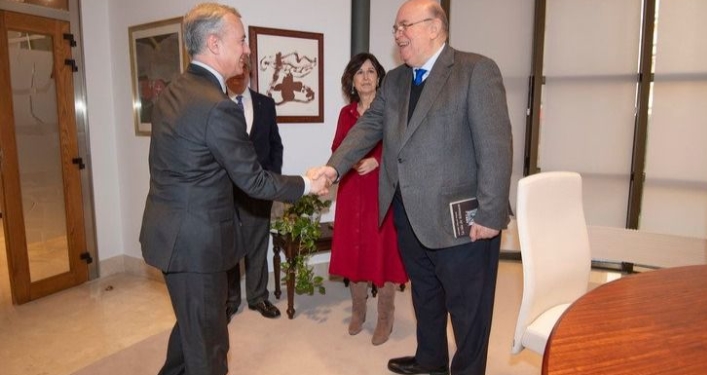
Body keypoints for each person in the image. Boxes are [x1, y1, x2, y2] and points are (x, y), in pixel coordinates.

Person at [310, 1, 512, 374]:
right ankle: (430, 362)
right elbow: (368, 128)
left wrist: (491, 212)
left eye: (405, 26)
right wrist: (333, 169)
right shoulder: (399, 80)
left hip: (463, 224)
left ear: (435, 27)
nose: (398, 34)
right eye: (395, 28)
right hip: (407, 214)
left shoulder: (475, 70)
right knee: (426, 296)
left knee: (468, 311)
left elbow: (496, 148)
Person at [139, 3, 327, 375]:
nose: (246, 49)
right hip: (194, 245)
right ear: (214, 43)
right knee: (210, 348)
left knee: (190, 335)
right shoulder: (216, 106)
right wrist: (307, 183)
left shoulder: (174, 91)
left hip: (170, 234)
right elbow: (254, 179)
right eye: (241, 39)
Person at [329, 52, 408, 346]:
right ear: (352, 80)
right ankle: (358, 311)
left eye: (371, 71)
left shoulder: (391, 111)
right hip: (352, 191)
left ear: (379, 78)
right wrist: (349, 163)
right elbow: (339, 146)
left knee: (383, 252)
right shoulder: (345, 114)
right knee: (355, 250)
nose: (365, 77)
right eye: (359, 72)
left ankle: (385, 318)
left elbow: (400, 147)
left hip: (382, 189)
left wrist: (377, 160)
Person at [226, 61, 283, 320]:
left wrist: (271, 180)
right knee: (227, 247)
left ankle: (258, 297)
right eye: (234, 72)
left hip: (258, 189)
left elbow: (275, 145)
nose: (238, 76)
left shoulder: (265, 104)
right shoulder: (215, 103)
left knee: (258, 243)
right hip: (223, 190)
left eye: (243, 71)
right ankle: (228, 301)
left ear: (249, 73)